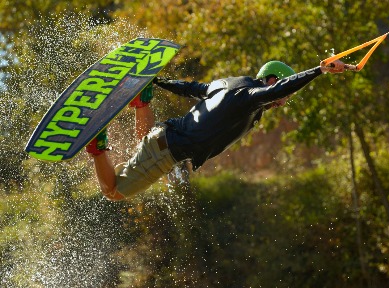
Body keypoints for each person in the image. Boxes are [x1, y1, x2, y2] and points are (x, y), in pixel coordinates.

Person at [86, 59, 349, 201]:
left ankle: (142, 99)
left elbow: (192, 88)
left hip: (165, 137)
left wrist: (158, 81)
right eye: (282, 97)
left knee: (144, 140)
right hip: (170, 149)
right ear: (271, 80)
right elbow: (281, 89)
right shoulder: (250, 96)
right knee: (114, 192)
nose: (281, 103)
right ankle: (97, 148)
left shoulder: (227, 84)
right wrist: (320, 70)